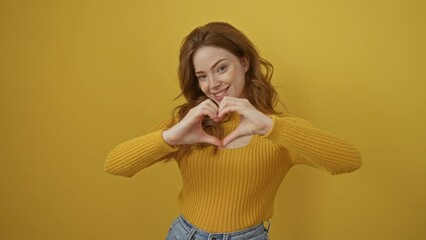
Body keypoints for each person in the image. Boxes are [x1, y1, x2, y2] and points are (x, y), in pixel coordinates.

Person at [104, 22, 362, 240]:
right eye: (202, 76)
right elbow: (115, 164)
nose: (213, 84)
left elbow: (349, 160)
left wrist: (270, 126)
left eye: (221, 68)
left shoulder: (278, 130)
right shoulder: (188, 123)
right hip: (185, 235)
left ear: (244, 61)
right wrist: (172, 137)